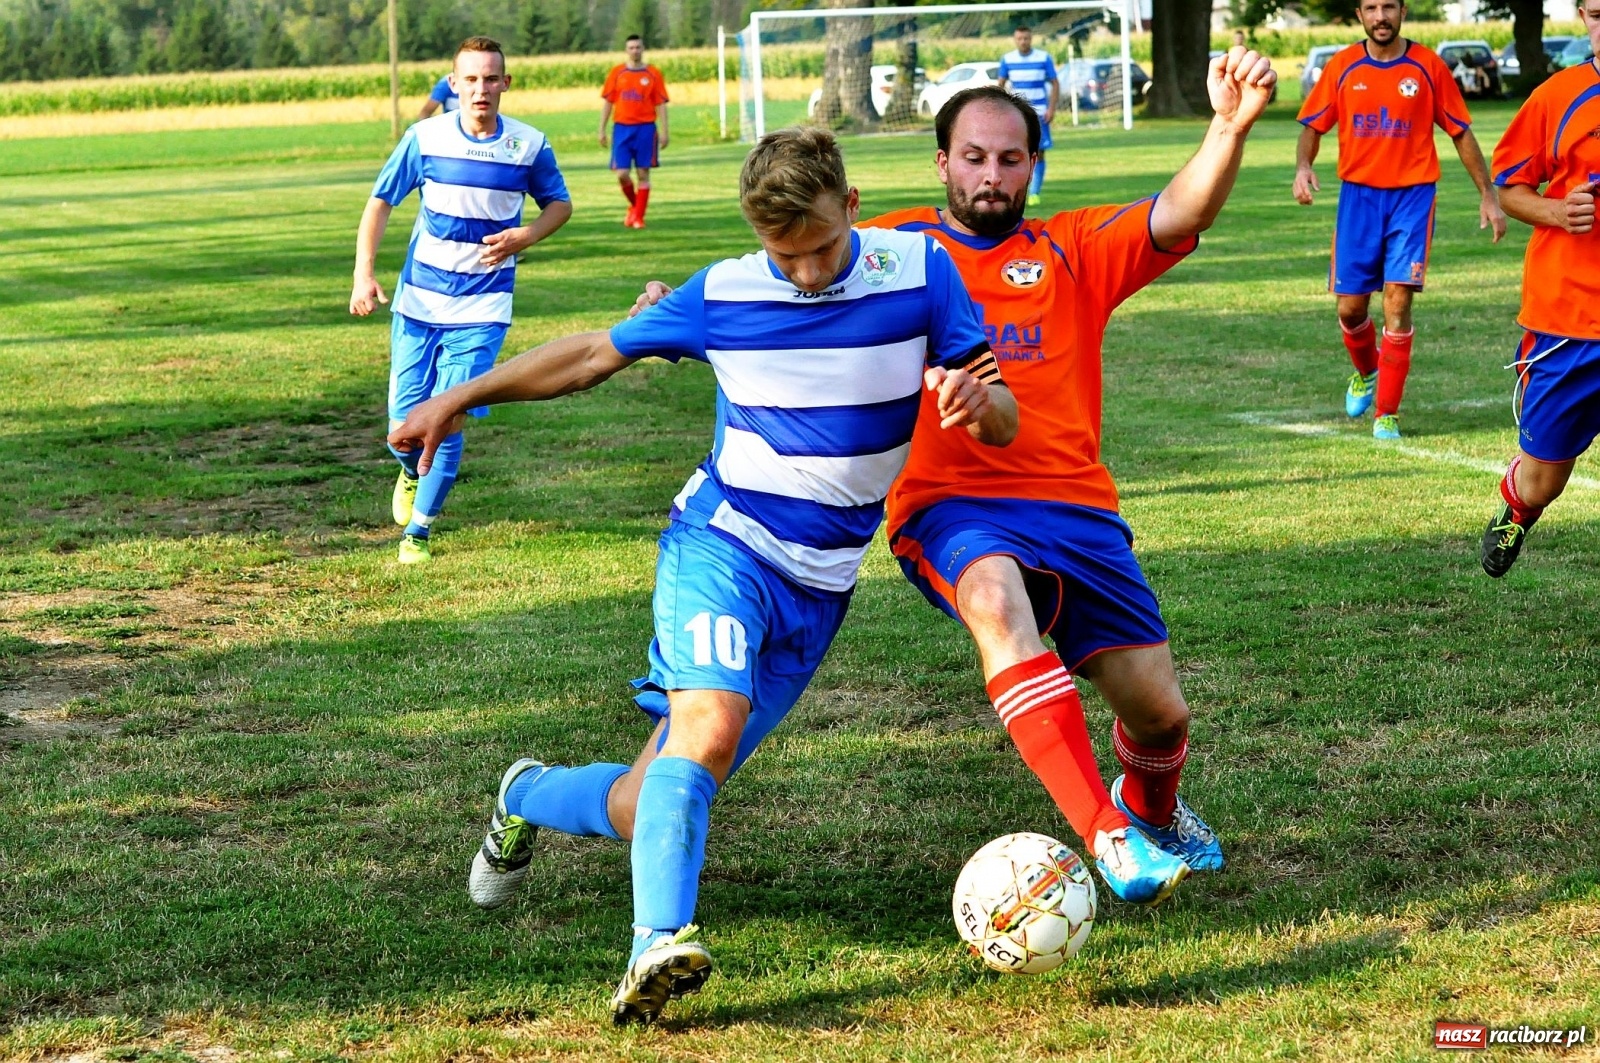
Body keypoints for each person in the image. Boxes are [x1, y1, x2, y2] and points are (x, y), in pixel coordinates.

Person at [388, 127, 1017, 1026]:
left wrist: (977, 400)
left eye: (819, 249)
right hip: (721, 544)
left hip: (822, 582)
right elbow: (590, 357)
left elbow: (1001, 421)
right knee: (708, 729)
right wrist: (457, 396)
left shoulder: (922, 271)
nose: (801, 273)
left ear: (853, 205)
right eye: (781, 254)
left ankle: (523, 791)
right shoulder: (723, 290)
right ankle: (657, 944)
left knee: (651, 801)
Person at [630, 50, 1278, 907]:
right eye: (973, 155)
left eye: (1011, 158)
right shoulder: (891, 249)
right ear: (942, 162)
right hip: (952, 508)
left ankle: (1147, 810)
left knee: (1160, 714)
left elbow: (1175, 213)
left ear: (1033, 166)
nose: (991, 173)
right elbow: (784, 257)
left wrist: (1227, 128)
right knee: (996, 602)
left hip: (1078, 508)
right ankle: (1105, 833)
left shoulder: (1074, 248)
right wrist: (668, 306)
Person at [350, 36, 572, 564]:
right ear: (454, 84)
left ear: (506, 84)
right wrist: (364, 276)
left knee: (448, 417)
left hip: (484, 308)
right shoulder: (424, 138)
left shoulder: (529, 145)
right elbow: (379, 203)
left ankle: (418, 535)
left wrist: (527, 235)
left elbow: (559, 205)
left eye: (491, 78)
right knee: (401, 426)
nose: (481, 89)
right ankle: (409, 472)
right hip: (418, 303)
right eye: (471, 79)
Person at [1294, 0, 1505, 440]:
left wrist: (1488, 194)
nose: (1380, 16)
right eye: (1371, 8)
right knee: (1351, 309)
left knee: (1397, 300)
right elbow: (1312, 126)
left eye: (1388, 6)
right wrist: (1303, 167)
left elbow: (1460, 131)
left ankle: (1386, 412)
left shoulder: (1428, 66)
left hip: (1413, 197)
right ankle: (1367, 372)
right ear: (1359, 15)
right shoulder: (1343, 67)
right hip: (1358, 199)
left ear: (1403, 11)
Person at [1477, 0, 1600, 577]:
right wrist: (1557, 210)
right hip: (1567, 322)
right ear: (1581, 14)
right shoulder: (1559, 96)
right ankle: (1517, 504)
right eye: (1599, 12)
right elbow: (1509, 187)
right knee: (1545, 476)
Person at [601, 34, 670, 229]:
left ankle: (638, 217)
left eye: (638, 47)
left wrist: (665, 131)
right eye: (631, 47)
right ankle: (635, 207)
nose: (635, 51)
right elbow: (608, 102)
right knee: (622, 173)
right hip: (622, 128)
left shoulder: (653, 74)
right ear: (626, 50)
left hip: (646, 129)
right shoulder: (617, 73)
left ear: (643, 48)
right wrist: (602, 130)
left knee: (643, 173)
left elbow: (661, 104)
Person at [996, 25, 1058, 207]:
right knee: (1013, 152)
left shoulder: (1043, 57)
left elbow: (1055, 83)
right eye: (1020, 39)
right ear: (1015, 40)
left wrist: (1051, 108)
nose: (1023, 42)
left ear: (1031, 39)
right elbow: (1000, 84)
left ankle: (1035, 192)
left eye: (1026, 39)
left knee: (1039, 153)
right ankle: (1018, 189)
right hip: (1017, 114)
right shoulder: (1007, 59)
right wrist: (1001, 109)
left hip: (1039, 113)